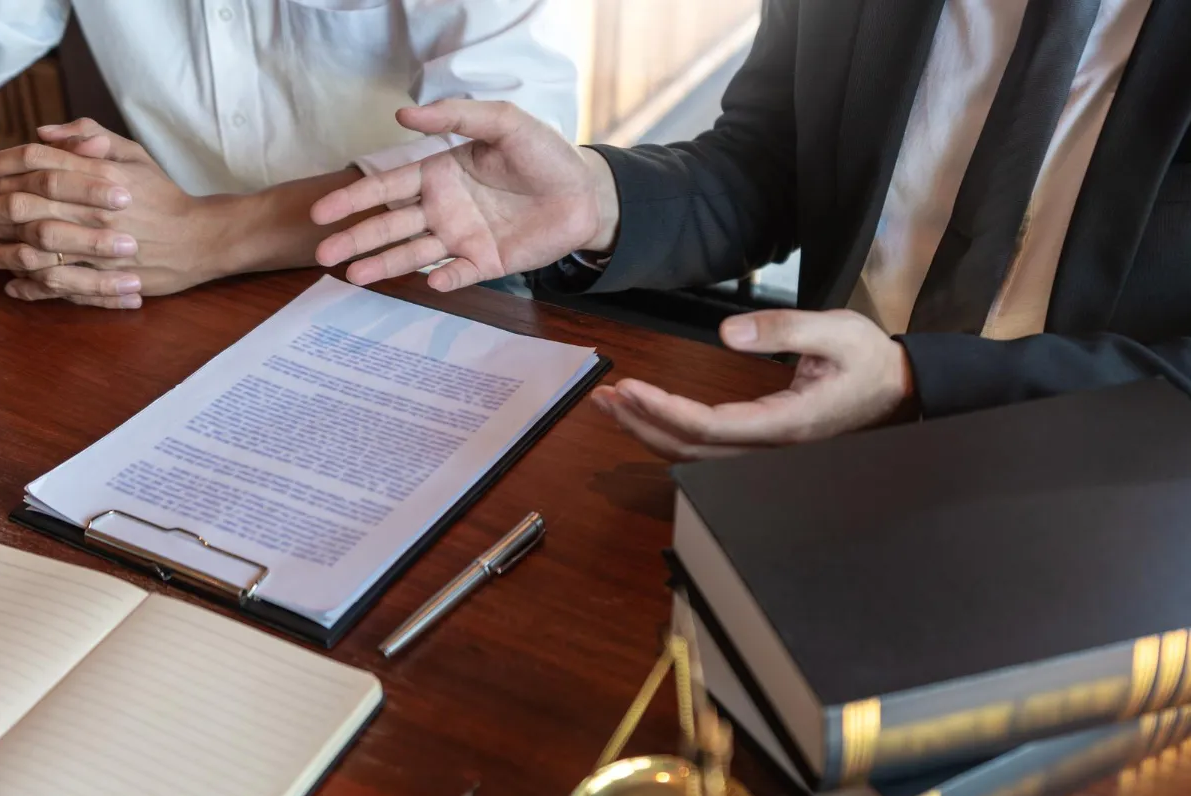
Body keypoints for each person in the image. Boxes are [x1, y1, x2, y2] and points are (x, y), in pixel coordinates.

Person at [311, 0, 1191, 461]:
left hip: (1104, 488)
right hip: (805, 448)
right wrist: (600, 198)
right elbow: (772, 165)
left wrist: (915, 380)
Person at [0, 1, 578, 309]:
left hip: (433, 278)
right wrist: (8, 201)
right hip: (159, 280)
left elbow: (510, 154)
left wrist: (212, 235)